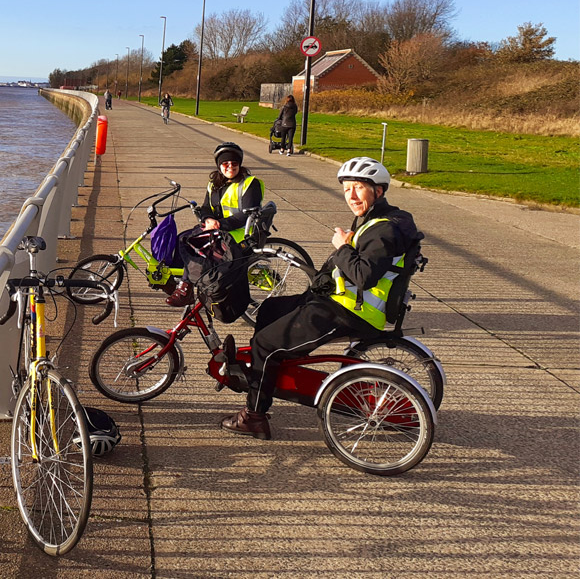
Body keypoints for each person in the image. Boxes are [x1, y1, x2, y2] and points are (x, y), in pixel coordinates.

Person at [220, 157, 420, 440]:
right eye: (347, 188)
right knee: (270, 309)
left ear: (379, 191)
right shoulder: (379, 220)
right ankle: (279, 368)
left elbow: (364, 275)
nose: (351, 195)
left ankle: (254, 416)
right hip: (339, 301)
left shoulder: (384, 229)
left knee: (266, 345)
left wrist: (342, 248)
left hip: (351, 311)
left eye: (359, 188)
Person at [166, 141, 264, 307]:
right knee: (182, 238)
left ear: (240, 165)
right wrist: (207, 219)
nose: (230, 167)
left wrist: (219, 224)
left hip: (241, 233)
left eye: (234, 163)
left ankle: (186, 287)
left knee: (200, 245)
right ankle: (179, 282)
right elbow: (206, 207)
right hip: (218, 229)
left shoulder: (250, 184)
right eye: (225, 164)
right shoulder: (214, 185)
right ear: (219, 166)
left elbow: (247, 214)